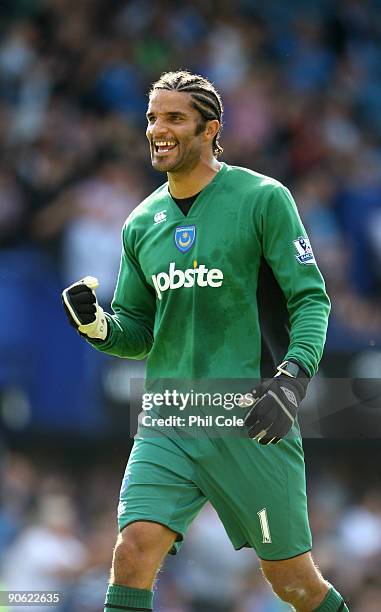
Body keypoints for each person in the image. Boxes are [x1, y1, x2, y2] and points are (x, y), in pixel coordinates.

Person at [62, 70, 348, 612]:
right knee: (133, 550)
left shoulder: (263, 198)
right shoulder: (141, 222)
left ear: (210, 128)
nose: (157, 129)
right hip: (169, 417)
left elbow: (311, 300)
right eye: (151, 118)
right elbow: (138, 330)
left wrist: (291, 381)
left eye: (174, 118)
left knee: (294, 584)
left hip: (251, 417)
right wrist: (97, 325)